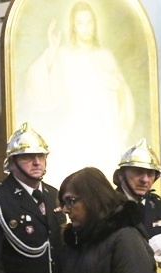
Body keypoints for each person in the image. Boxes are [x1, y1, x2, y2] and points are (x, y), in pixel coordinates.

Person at [24, 1, 135, 188]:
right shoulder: (65, 54)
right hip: (78, 124)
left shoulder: (105, 55)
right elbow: (43, 86)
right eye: (80, 23)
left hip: (105, 126)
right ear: (73, 27)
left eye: (89, 22)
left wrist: (118, 88)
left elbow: (122, 93)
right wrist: (51, 50)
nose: (86, 28)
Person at [0, 123, 66, 273]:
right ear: (11, 163)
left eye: (41, 156)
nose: (37, 162)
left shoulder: (54, 194)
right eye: (28, 157)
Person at [113, 138, 161, 239]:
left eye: (150, 173)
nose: (145, 179)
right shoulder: (107, 207)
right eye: (138, 171)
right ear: (121, 174)